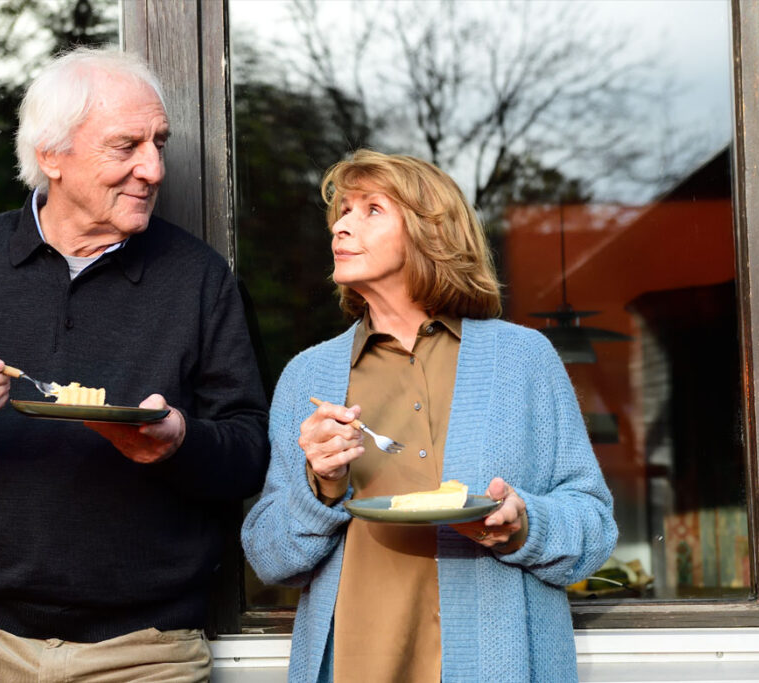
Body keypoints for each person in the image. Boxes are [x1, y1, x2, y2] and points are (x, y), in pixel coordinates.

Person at [0, 47, 269, 682]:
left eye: (159, 143)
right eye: (126, 145)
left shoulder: (201, 280)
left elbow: (249, 455)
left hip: (146, 650)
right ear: (51, 154)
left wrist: (178, 444)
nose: (153, 168)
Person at [241, 149, 617, 682]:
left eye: (371, 210)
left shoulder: (523, 360)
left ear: (429, 232)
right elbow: (269, 557)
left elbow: (594, 529)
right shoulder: (309, 377)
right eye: (342, 212)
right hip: (356, 663)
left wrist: (520, 524)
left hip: (498, 664)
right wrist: (321, 486)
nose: (343, 227)